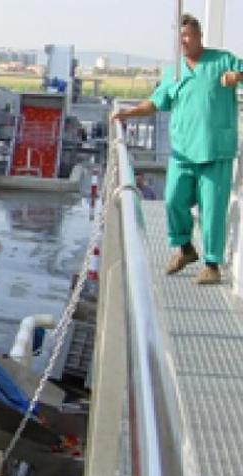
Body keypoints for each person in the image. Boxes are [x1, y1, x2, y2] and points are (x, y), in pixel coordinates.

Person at [111, 13, 242, 284]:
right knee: (173, 200)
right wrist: (129, 113)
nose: (182, 41)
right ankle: (185, 248)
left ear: (198, 36)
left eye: (187, 36)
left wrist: (236, 76)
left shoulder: (222, 60)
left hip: (216, 150)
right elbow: (155, 102)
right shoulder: (175, 72)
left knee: (212, 209)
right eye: (179, 37)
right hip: (183, 150)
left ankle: (212, 265)